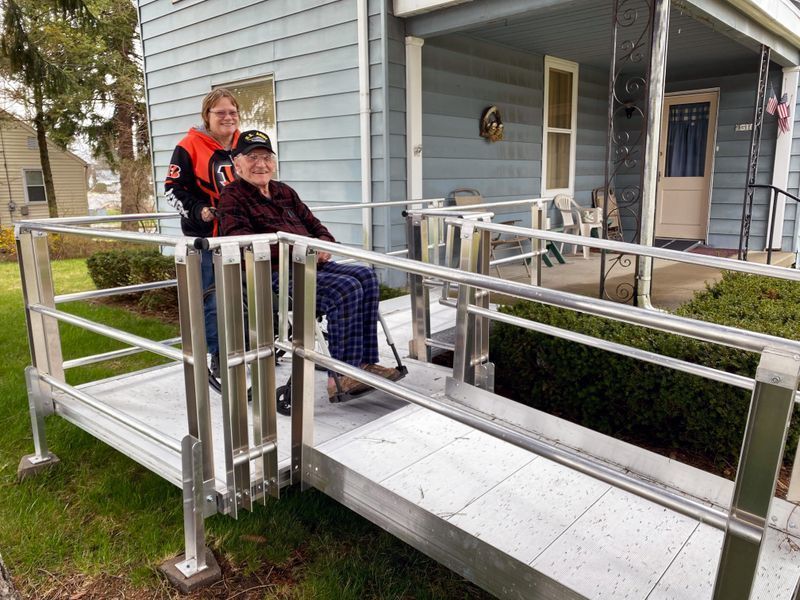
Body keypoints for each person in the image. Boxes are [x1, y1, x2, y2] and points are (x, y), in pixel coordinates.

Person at [217, 129, 401, 400]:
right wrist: (297, 248)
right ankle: (341, 375)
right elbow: (238, 239)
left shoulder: (284, 191)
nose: (261, 164)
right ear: (237, 163)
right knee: (346, 288)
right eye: (252, 157)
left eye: (266, 157)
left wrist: (323, 243)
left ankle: (364, 363)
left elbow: (316, 226)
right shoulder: (233, 196)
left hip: (311, 262)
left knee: (366, 276)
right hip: (274, 274)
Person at [165, 89, 241, 377]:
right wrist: (199, 210)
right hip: (206, 238)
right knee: (213, 297)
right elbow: (172, 190)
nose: (227, 117)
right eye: (220, 112)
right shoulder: (188, 146)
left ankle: (249, 344)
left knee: (246, 293)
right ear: (206, 116)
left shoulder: (243, 144)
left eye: (232, 111)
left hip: (241, 234)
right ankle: (219, 353)